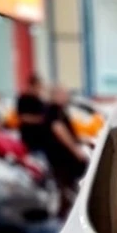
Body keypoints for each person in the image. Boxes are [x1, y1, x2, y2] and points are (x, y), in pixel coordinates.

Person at [43, 84, 89, 215]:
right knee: (65, 185)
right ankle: (66, 213)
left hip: (62, 155)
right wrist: (75, 149)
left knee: (67, 186)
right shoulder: (54, 110)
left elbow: (67, 131)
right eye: (64, 94)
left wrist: (81, 140)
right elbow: (58, 130)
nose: (66, 97)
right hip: (60, 156)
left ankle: (66, 211)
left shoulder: (59, 110)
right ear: (56, 95)